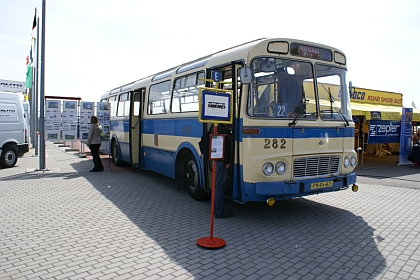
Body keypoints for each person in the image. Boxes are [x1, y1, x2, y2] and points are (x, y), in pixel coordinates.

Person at [214, 124, 233, 218]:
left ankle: (217, 209)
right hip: (222, 162)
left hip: (220, 161)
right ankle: (219, 211)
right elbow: (223, 147)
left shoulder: (219, 127)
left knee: (219, 186)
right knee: (220, 186)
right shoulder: (220, 128)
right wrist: (227, 161)